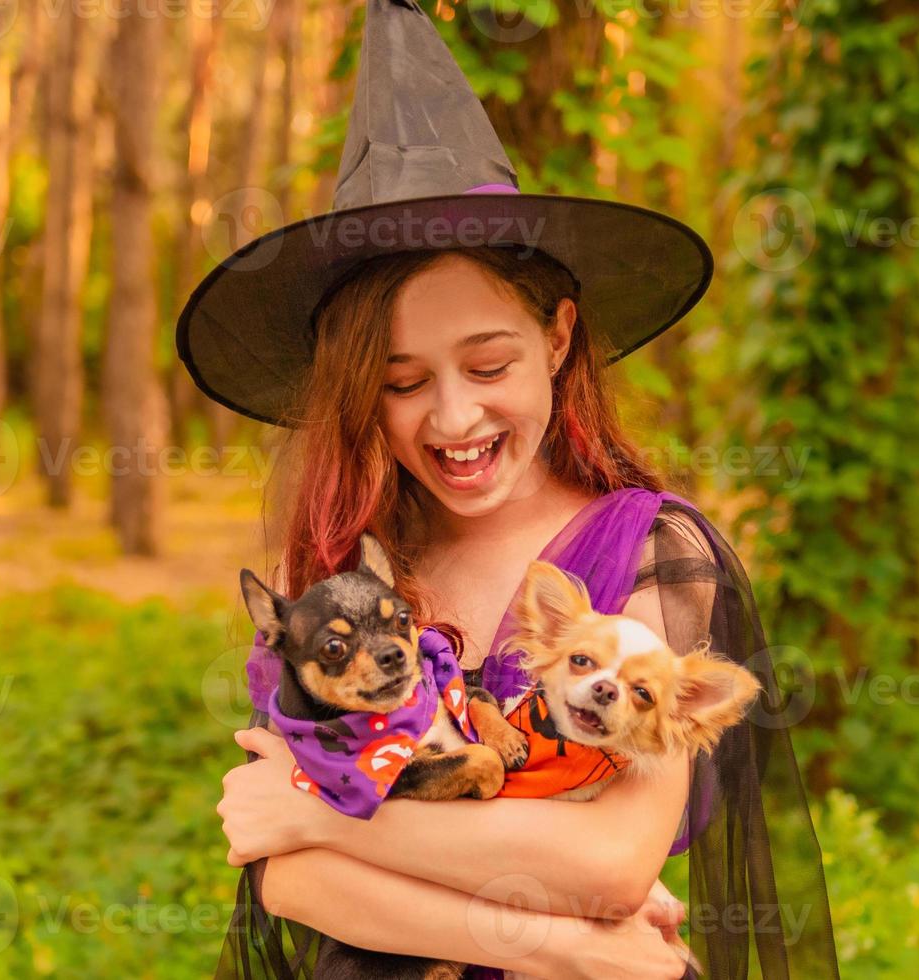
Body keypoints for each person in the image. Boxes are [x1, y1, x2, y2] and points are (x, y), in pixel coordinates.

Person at [175, 2, 840, 977]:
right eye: (402, 383)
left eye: (489, 365)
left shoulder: (651, 555)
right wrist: (567, 945)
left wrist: (316, 814)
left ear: (559, 337)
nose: (453, 419)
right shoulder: (353, 569)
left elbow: (612, 863)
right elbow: (287, 880)